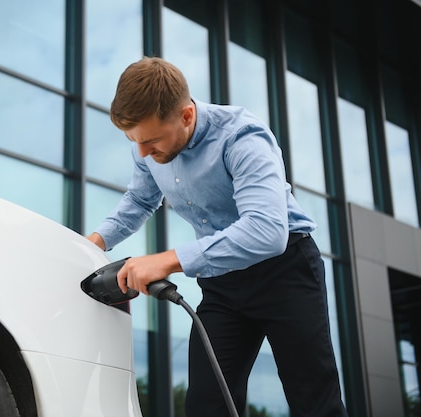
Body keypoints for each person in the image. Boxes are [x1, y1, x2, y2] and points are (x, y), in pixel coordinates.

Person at [86, 57, 348, 417]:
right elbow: (140, 199)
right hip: (222, 286)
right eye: (135, 142)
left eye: (151, 141)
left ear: (186, 116)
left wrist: (167, 260)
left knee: (313, 400)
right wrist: (93, 243)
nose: (143, 153)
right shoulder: (146, 147)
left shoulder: (242, 137)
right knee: (207, 405)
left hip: (285, 271)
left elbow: (267, 230)